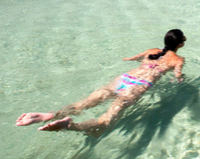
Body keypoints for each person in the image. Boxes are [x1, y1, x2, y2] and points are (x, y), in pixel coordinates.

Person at [16, 29, 186, 136]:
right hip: (137, 88)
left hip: (123, 79)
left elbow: (130, 58)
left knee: (82, 104)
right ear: (180, 43)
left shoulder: (151, 51)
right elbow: (178, 78)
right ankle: (70, 126)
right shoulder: (178, 59)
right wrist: (180, 81)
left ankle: (48, 115)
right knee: (105, 122)